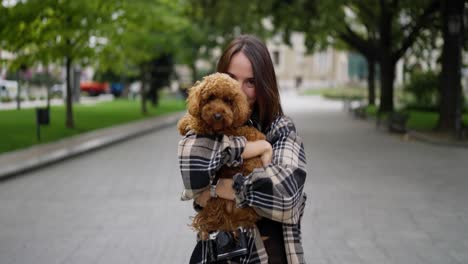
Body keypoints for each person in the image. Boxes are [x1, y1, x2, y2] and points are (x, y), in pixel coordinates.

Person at [178, 35, 307, 264]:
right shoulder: (205, 122)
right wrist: (253, 147)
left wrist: (218, 188)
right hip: (217, 253)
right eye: (231, 78)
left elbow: (286, 198)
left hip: (267, 254)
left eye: (251, 82)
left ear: (264, 85)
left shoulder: (281, 129)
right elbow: (191, 168)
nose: (238, 89)